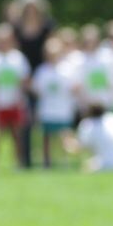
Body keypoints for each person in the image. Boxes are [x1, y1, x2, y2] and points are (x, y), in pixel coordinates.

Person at [9, 0, 55, 169]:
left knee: (47, 118)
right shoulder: (16, 28)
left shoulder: (48, 26)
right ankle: (24, 159)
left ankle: (47, 158)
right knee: (25, 120)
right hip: (24, 78)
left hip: (44, 76)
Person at [0, 23, 30, 169]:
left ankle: (18, 162)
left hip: (15, 102)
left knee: (17, 135)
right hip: (0, 102)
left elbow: (23, 81)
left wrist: (21, 99)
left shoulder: (18, 58)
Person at [31, 37, 78, 168]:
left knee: (65, 136)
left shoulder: (67, 69)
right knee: (47, 138)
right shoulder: (42, 70)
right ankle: (47, 162)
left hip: (63, 109)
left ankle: (65, 160)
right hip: (47, 109)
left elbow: (75, 87)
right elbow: (36, 90)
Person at [68, 103, 113, 172]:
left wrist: (68, 142)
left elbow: (79, 148)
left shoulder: (87, 125)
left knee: (86, 167)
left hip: (108, 162)